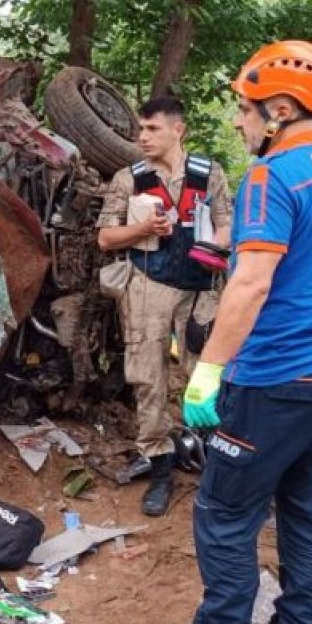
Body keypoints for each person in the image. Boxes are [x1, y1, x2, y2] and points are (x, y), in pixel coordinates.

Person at [156, 40, 312, 624]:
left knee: (224, 514)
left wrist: (208, 370)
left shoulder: (269, 179)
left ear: (280, 110)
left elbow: (250, 285)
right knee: (310, 516)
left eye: (246, 111)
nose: (238, 122)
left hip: (281, 377)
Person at [97, 96, 233, 516]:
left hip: (199, 291)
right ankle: (160, 469)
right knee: (147, 378)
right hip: (147, 286)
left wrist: (215, 246)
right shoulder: (129, 178)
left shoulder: (208, 174)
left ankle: (216, 471)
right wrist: (143, 228)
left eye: (153, 128)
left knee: (205, 377)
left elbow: (229, 224)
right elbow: (104, 238)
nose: (143, 136)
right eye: (141, 129)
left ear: (179, 130)